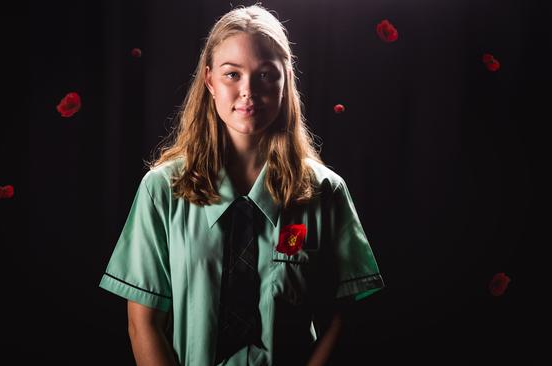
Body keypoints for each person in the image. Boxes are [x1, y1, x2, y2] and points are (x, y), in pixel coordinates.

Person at [99, 3, 385, 365]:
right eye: (232, 74)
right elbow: (143, 324)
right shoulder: (162, 190)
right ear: (209, 81)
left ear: (286, 81)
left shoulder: (324, 192)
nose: (248, 91)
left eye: (266, 74)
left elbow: (344, 317)